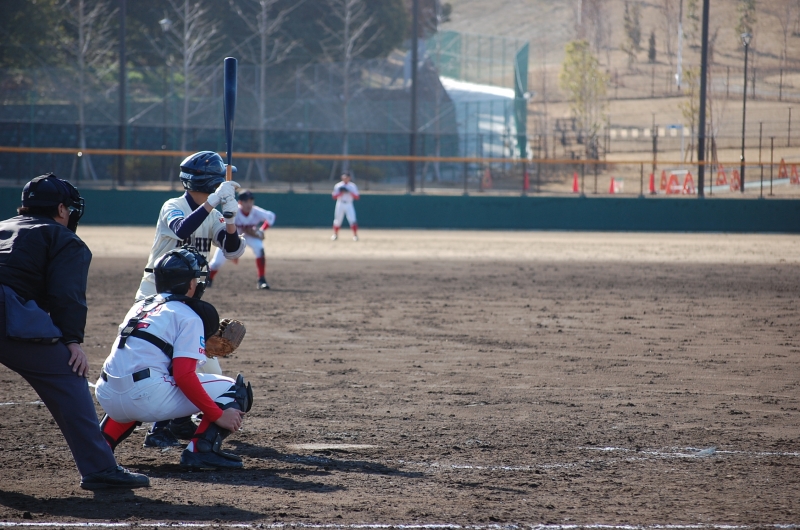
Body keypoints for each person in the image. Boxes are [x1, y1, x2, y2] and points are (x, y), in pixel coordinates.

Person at [0, 173, 149, 490]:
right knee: (69, 374)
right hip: (6, 312)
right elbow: (66, 295)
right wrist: (72, 341)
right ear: (61, 209)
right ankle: (99, 469)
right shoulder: (63, 237)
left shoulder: (3, 226)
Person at [95, 247, 253, 470]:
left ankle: (99, 447)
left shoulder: (140, 306)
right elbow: (184, 376)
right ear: (190, 284)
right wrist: (218, 415)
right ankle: (201, 450)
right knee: (235, 389)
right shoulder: (188, 315)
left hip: (107, 396)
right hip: (144, 398)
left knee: (133, 380)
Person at [134, 150, 246, 447]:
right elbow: (182, 228)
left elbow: (232, 249)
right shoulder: (173, 206)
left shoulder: (215, 214)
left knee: (211, 370)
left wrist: (231, 217)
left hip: (187, 302)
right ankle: (159, 429)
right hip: (155, 298)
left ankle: (180, 420)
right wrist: (214, 201)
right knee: (169, 361)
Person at [207, 190, 276, 290]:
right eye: (246, 201)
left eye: (251, 201)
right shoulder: (234, 212)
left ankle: (262, 280)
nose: (249, 204)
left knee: (259, 248)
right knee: (216, 263)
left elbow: (271, 217)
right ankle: (208, 279)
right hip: (231, 237)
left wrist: (262, 230)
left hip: (248, 236)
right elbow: (222, 225)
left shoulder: (256, 211)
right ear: (240, 202)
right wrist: (234, 251)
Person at [331, 171, 360, 241]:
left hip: (349, 204)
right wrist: (341, 193)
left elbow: (357, 197)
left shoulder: (352, 186)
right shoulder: (338, 185)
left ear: (349, 178)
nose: (345, 179)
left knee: (353, 220)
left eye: (346, 177)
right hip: (340, 203)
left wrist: (349, 192)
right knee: (337, 220)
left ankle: (355, 235)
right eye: (344, 177)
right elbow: (334, 197)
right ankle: (335, 235)